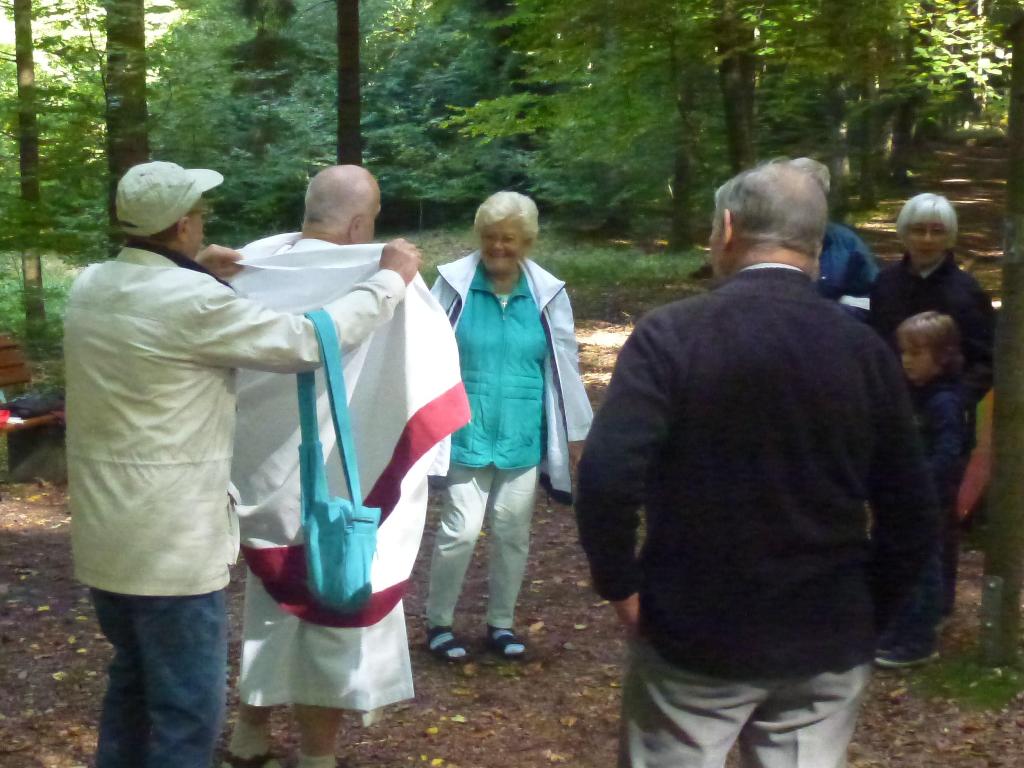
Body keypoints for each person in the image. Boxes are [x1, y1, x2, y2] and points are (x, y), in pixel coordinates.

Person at [576, 163, 939, 768]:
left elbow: (607, 475)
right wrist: (868, 610)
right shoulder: (866, 352)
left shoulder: (673, 336)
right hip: (825, 634)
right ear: (819, 247)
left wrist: (621, 585)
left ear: (726, 228)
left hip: (696, 630)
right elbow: (912, 508)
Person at [64, 160, 421, 768]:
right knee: (185, 712)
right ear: (180, 225)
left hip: (104, 542)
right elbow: (312, 342)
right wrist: (388, 281)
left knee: (131, 688)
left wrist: (201, 273)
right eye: (198, 213)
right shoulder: (191, 301)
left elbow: (156, 317)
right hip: (171, 550)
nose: (204, 220)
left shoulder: (90, 286)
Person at [221, 166, 468, 768]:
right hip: (348, 484)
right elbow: (431, 377)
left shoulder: (248, 268)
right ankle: (316, 756)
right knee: (332, 618)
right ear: (360, 222)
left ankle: (248, 737)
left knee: (269, 606)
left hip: (261, 482)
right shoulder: (389, 278)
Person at [424, 191, 593, 661]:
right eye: (491, 237)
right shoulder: (453, 287)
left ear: (528, 241)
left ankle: (500, 623)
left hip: (522, 433)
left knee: (512, 531)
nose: (499, 247)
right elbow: (421, 349)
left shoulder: (546, 294)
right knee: (459, 530)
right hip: (465, 429)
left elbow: (565, 363)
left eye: (510, 239)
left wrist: (577, 430)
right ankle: (439, 623)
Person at [876, 312, 969, 668]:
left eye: (917, 353)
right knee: (902, 560)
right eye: (904, 352)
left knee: (923, 566)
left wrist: (918, 485)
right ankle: (899, 628)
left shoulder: (944, 402)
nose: (907, 361)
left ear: (942, 356)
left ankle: (919, 638)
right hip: (906, 497)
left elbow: (948, 453)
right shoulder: (911, 395)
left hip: (928, 499)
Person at [870, 192, 995, 410]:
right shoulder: (885, 283)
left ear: (949, 238)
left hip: (946, 414)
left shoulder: (967, 291)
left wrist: (955, 401)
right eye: (919, 230)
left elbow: (986, 360)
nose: (927, 239)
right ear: (904, 233)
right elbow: (876, 345)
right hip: (891, 409)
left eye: (937, 232)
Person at [788, 157, 879, 318]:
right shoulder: (762, 240)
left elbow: (875, 298)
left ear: (823, 197)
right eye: (789, 193)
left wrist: (832, 313)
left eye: (810, 194)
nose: (800, 201)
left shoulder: (847, 244)